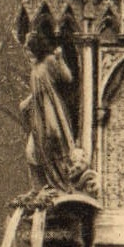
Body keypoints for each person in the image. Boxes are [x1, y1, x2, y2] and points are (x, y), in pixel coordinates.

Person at [21, 47, 77, 192]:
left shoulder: (48, 61)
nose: (27, 51)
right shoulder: (35, 68)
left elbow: (67, 78)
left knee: (54, 139)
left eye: (30, 46)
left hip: (50, 110)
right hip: (38, 115)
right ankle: (40, 189)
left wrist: (60, 59)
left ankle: (62, 184)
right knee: (30, 153)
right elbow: (37, 92)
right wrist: (28, 101)